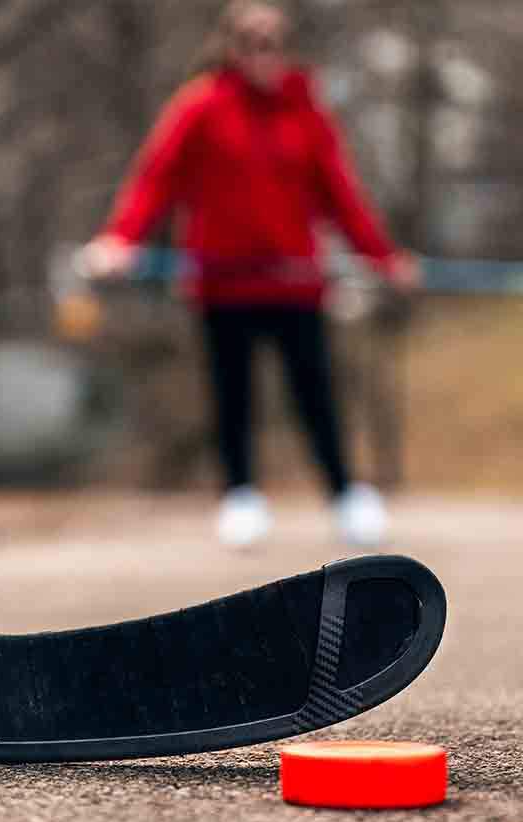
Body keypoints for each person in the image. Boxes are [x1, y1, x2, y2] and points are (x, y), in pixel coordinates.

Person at [81, 0, 420, 548]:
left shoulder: (307, 112)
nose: (263, 52)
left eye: (273, 41)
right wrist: (121, 241)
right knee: (232, 395)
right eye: (251, 41)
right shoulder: (200, 107)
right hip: (224, 285)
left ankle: (345, 496)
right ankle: (241, 497)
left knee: (316, 394)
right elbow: (155, 180)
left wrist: (383, 257)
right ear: (231, 47)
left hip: (295, 284)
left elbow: (341, 196)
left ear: (286, 47)